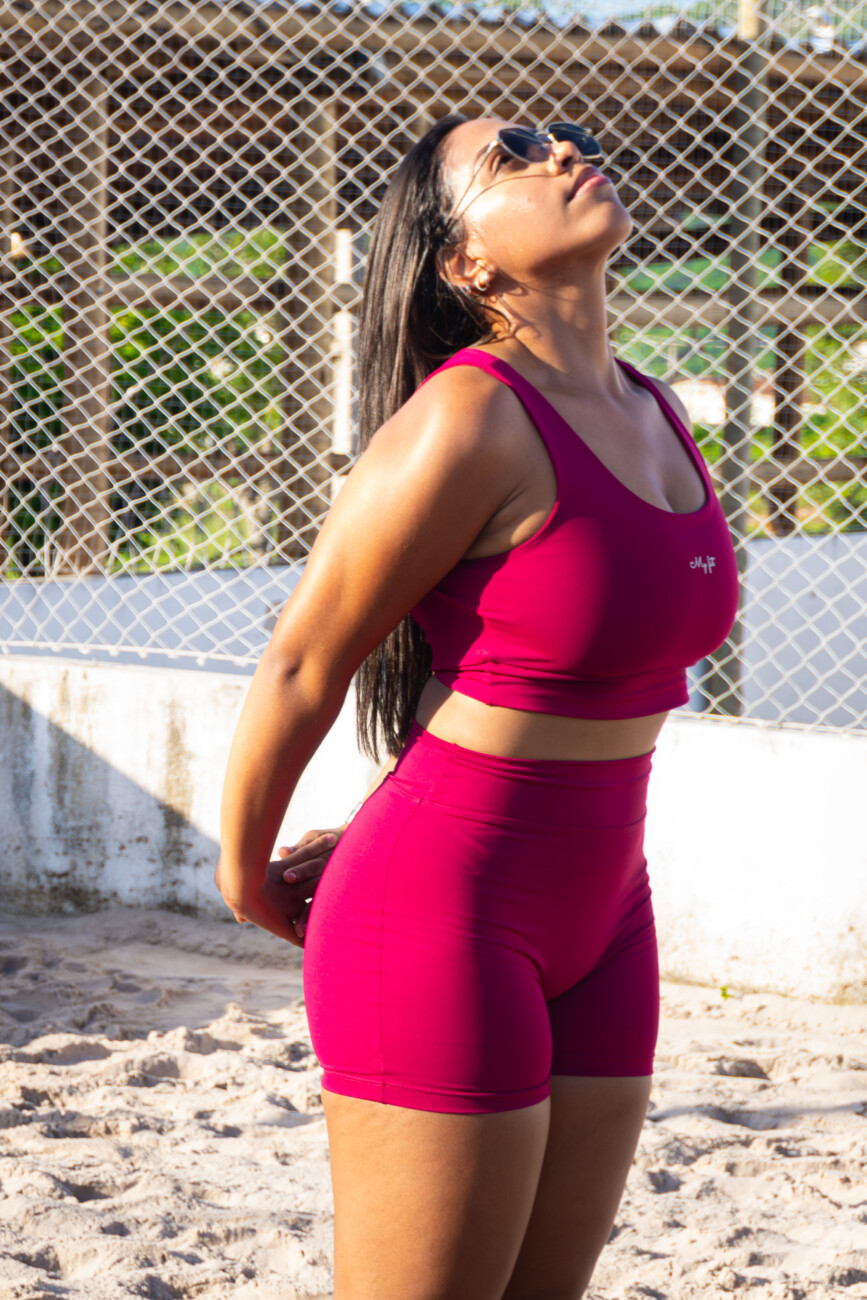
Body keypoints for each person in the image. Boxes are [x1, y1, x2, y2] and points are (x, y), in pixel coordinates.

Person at [215, 114, 740, 1300]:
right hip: (443, 911)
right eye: (514, 154)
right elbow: (303, 660)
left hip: (608, 909)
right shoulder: (469, 417)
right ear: (465, 262)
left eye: (571, 135)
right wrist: (243, 870)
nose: (562, 152)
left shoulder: (657, 409)